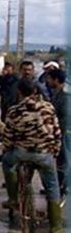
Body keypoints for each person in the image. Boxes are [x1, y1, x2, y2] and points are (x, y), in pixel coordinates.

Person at [1, 79, 63, 233]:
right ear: (35, 91)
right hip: (45, 153)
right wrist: (55, 150)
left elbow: (8, 135)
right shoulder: (49, 107)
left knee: (7, 162)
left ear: (19, 92)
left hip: (21, 152)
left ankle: (13, 198)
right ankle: (56, 227)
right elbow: (57, 131)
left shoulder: (14, 110)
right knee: (52, 187)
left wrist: (5, 148)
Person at [45, 68, 67, 199]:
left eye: (49, 78)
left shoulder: (65, 96)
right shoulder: (57, 93)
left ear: (56, 80)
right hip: (59, 132)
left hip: (65, 133)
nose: (47, 81)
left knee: (63, 161)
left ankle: (62, 189)